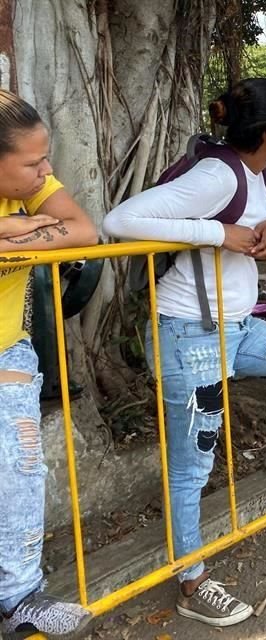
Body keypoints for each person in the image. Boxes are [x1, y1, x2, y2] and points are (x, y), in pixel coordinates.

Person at [104, 78, 266, 627]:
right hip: (190, 334)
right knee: (193, 464)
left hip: (240, 328)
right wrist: (219, 234)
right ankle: (191, 582)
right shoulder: (218, 174)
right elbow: (117, 221)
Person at [0, 90, 99, 640]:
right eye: (34, 163)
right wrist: (34, 233)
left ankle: (19, 596)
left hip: (7, 347)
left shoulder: (34, 190)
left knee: (20, 466)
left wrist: (16, 231)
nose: (47, 171)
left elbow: (83, 231)